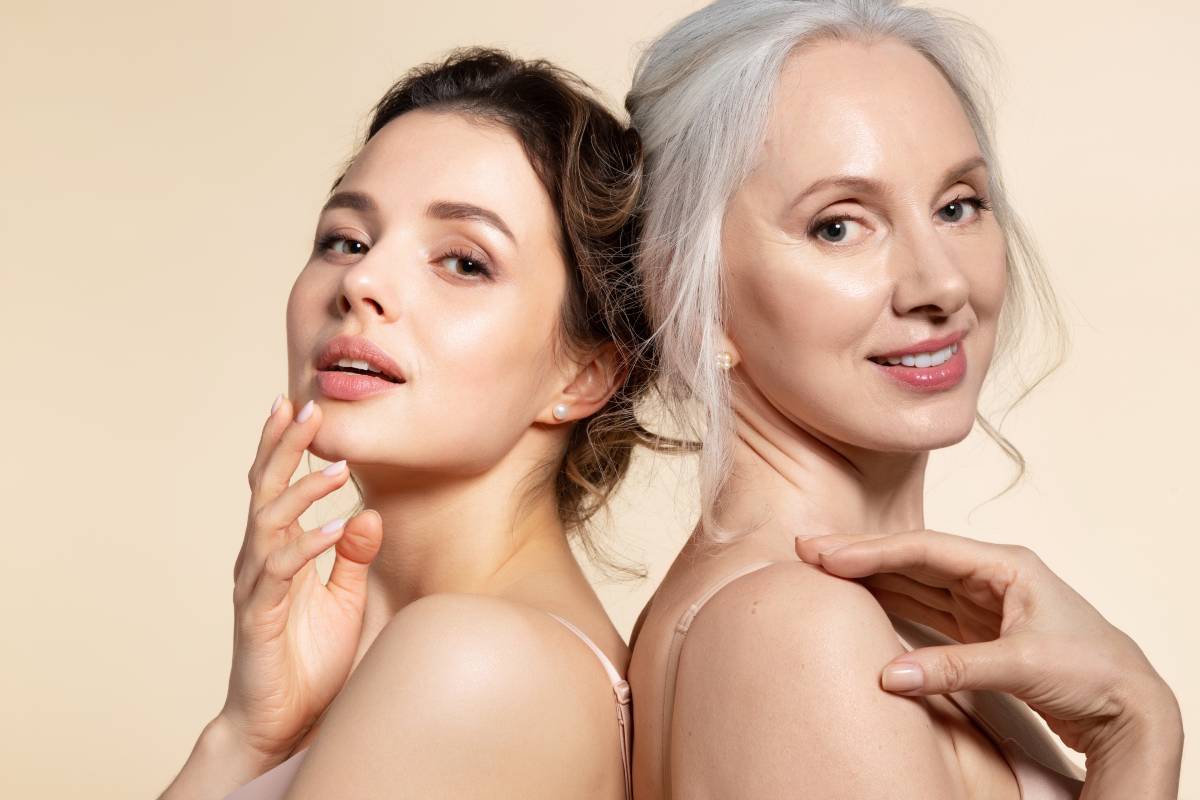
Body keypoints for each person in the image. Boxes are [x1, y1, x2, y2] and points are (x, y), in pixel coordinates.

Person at [623, 1, 1184, 797]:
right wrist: (1139, 730)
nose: (941, 284)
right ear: (688, 288)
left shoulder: (858, 619)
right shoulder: (800, 633)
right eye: (839, 226)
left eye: (958, 206)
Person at [157, 47, 658, 799]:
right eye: (346, 240)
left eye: (463, 262)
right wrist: (244, 736)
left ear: (585, 375)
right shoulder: (409, 657)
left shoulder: (471, 661)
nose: (361, 281)